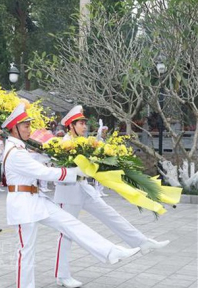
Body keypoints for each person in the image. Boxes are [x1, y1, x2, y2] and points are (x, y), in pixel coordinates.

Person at [2, 103, 141, 288]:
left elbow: (38, 160)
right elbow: (43, 173)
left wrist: (54, 155)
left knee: (71, 224)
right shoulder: (15, 152)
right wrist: (75, 171)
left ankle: (110, 251)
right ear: (14, 129)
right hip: (22, 203)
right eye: (26, 126)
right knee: (26, 251)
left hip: (35, 199)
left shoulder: (20, 149)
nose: (30, 130)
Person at [53, 105, 169, 288]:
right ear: (71, 125)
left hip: (84, 188)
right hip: (68, 193)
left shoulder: (83, 141)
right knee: (67, 234)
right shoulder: (63, 144)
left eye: (84, 123)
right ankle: (62, 275)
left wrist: (101, 142)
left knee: (110, 214)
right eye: (81, 123)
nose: (84, 126)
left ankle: (141, 242)